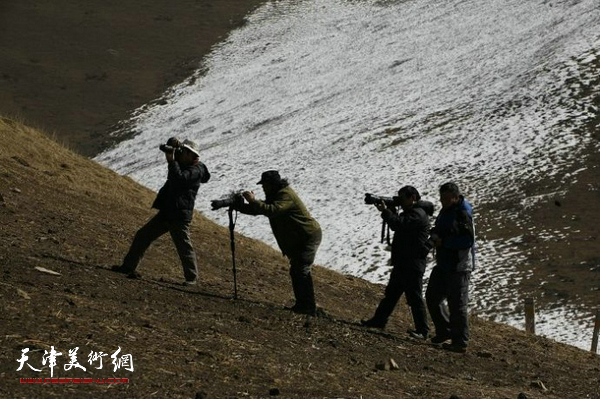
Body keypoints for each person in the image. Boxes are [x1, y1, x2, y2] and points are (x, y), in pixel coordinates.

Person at [112, 137, 210, 285]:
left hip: (179, 215)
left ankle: (192, 278)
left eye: (185, 152)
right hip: (168, 211)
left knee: (184, 247)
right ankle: (128, 267)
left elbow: (179, 180)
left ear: (192, 155)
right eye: (182, 151)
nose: (181, 154)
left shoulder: (196, 170)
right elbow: (166, 147)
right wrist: (172, 142)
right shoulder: (184, 163)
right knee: (143, 236)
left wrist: (171, 161)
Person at [235, 170, 322, 316]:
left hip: (307, 237)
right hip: (299, 238)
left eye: (264, 185)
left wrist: (253, 201)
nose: (263, 188)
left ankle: (308, 306)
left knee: (301, 270)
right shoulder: (276, 194)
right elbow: (261, 210)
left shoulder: (285, 195)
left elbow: (272, 210)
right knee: (297, 270)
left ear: (271, 184)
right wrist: (240, 206)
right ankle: (303, 305)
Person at [361, 186, 433, 339]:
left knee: (414, 297)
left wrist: (386, 211)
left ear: (412, 197)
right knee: (391, 294)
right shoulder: (413, 212)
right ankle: (379, 320)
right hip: (404, 262)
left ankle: (423, 330)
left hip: (412, 263)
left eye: (403, 198)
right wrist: (391, 211)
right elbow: (399, 224)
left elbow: (398, 225)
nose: (401, 201)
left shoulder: (418, 214)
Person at [426, 182, 475, 353]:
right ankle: (445, 331)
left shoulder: (463, 213)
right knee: (432, 297)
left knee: (457, 305)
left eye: (446, 199)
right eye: (441, 198)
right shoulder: (447, 210)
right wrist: (435, 234)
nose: (443, 201)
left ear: (455, 197)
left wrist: (444, 242)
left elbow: (468, 241)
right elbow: (442, 229)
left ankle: (460, 341)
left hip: (459, 266)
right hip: (444, 263)